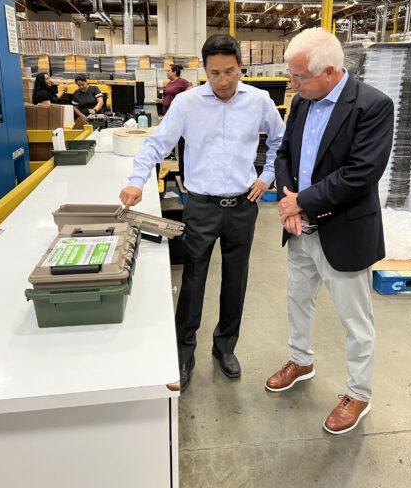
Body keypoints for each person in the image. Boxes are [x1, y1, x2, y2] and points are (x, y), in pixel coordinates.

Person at [120, 34, 285, 392]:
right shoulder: (186, 102)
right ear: (203, 70)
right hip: (201, 206)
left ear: (241, 67)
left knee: (235, 279)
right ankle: (184, 350)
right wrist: (136, 180)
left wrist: (267, 176)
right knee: (193, 278)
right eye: (215, 73)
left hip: (244, 206)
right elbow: (157, 143)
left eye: (230, 72)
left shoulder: (259, 100)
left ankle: (225, 347)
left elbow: (279, 142)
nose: (223, 81)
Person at [266, 27, 394, 434]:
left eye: (299, 76)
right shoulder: (303, 102)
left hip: (343, 231)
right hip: (300, 228)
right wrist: (289, 201)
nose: (292, 83)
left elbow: (361, 174)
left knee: (355, 320)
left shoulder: (373, 106)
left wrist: (301, 202)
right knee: (297, 301)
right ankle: (301, 361)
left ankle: (358, 393)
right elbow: (284, 152)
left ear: (331, 72)